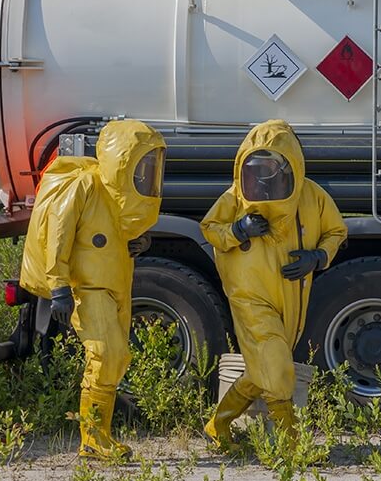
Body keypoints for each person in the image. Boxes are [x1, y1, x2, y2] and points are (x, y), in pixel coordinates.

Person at [20, 119, 166, 460]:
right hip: (88, 288)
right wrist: (58, 287)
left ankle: (100, 434)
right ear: (122, 161)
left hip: (116, 285)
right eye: (140, 164)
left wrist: (137, 242)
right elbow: (58, 236)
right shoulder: (84, 185)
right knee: (105, 355)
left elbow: (113, 236)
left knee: (115, 359)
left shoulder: (119, 197)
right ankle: (92, 438)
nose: (146, 172)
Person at [200, 119, 347, 448]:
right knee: (277, 367)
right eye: (258, 162)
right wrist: (237, 230)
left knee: (261, 367)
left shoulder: (312, 195)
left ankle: (217, 425)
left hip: (290, 298)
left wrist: (318, 257)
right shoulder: (235, 197)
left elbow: (336, 231)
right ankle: (289, 445)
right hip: (249, 294)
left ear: (289, 163)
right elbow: (210, 229)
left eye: (273, 162)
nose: (264, 170)